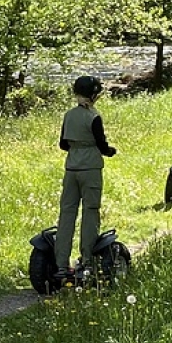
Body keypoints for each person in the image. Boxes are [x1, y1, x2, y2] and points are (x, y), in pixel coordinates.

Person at [55, 75, 117, 284]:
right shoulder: (94, 117)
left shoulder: (68, 115)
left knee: (67, 213)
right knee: (90, 212)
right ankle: (88, 261)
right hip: (90, 167)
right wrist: (109, 151)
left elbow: (63, 144)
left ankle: (61, 264)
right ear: (93, 94)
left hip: (71, 167)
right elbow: (101, 144)